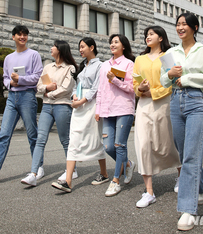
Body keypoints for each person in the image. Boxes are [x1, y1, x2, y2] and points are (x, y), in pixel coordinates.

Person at [160, 13, 203, 231]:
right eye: (178, 24)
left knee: (192, 155)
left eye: (184, 24)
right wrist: (170, 74)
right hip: (175, 101)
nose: (180, 27)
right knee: (184, 153)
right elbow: (164, 80)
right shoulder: (171, 52)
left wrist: (186, 78)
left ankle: (187, 209)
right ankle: (202, 187)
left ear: (194, 27)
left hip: (196, 100)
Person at [0, 25, 43, 184]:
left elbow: (38, 77)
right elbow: (5, 78)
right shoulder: (8, 58)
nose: (22, 37)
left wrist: (21, 80)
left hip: (27, 96)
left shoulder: (34, 55)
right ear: (13, 37)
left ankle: (38, 167)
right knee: (4, 134)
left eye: (25, 34)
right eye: (19, 34)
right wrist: (11, 83)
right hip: (12, 97)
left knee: (32, 134)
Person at [52, 37, 108, 193]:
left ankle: (104, 173)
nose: (80, 50)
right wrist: (74, 97)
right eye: (79, 47)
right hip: (79, 106)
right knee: (74, 138)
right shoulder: (83, 65)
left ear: (92, 47)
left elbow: (96, 88)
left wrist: (82, 100)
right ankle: (68, 181)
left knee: (95, 139)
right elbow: (78, 85)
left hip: (91, 105)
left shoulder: (100, 66)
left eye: (83, 47)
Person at [133, 26, 181, 208]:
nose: (148, 37)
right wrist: (141, 89)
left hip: (163, 103)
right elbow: (134, 82)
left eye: (151, 34)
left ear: (161, 37)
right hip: (144, 105)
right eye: (146, 35)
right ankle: (149, 191)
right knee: (143, 143)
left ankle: (180, 176)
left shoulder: (168, 56)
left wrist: (152, 91)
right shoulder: (139, 59)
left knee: (168, 142)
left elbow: (172, 82)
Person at [21, 40, 77, 187]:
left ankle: (73, 170)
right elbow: (40, 86)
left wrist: (48, 92)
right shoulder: (48, 67)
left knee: (65, 140)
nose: (51, 48)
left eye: (54, 46)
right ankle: (33, 174)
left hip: (62, 106)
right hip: (46, 107)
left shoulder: (70, 68)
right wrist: (47, 89)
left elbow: (66, 89)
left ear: (60, 50)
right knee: (40, 139)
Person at [95, 34, 136, 197]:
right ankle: (128, 163)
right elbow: (100, 89)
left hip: (123, 109)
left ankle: (115, 181)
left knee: (120, 145)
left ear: (123, 46)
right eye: (111, 42)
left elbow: (132, 88)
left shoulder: (129, 64)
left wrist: (116, 80)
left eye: (116, 42)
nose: (112, 45)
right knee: (108, 146)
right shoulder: (104, 65)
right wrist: (98, 109)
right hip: (107, 110)